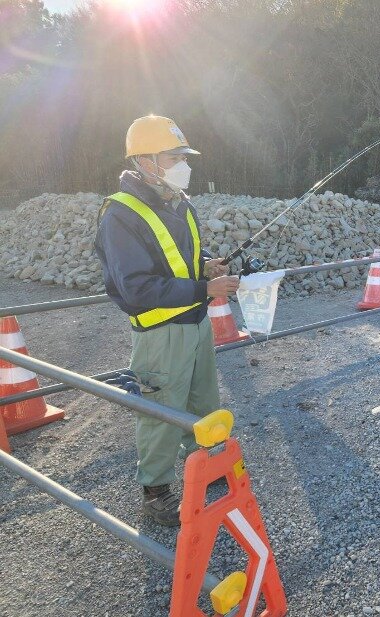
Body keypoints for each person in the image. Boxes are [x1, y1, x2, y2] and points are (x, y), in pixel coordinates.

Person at [95, 115, 240, 526]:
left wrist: (207, 265)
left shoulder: (180, 201)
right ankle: (155, 494)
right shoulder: (120, 214)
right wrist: (203, 290)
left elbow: (183, 257)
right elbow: (138, 289)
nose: (183, 164)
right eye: (174, 156)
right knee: (160, 413)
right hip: (160, 334)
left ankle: (204, 469)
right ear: (144, 160)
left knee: (203, 403)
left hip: (196, 324)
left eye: (183, 156)